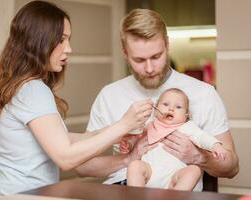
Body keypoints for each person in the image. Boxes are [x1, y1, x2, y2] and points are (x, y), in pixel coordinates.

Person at [0, 2, 153, 200]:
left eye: (69, 39)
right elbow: (66, 156)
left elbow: (64, 139)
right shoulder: (33, 89)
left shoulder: (21, 85)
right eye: (61, 40)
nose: (69, 49)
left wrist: (120, 139)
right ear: (39, 41)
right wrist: (124, 125)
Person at [76, 8, 239, 191]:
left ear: (167, 44)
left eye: (156, 56)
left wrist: (198, 157)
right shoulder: (109, 95)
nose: (149, 68)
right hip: (125, 189)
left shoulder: (203, 93)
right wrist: (129, 159)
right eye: (139, 60)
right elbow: (83, 167)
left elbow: (232, 167)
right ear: (125, 53)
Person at [124, 88, 227, 191]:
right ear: (156, 109)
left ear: (186, 115)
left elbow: (202, 137)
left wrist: (215, 145)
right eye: (165, 104)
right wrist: (129, 144)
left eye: (178, 107)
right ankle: (136, 196)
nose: (171, 109)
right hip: (150, 174)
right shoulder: (149, 125)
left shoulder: (187, 127)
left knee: (194, 171)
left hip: (175, 178)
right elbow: (135, 136)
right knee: (135, 166)